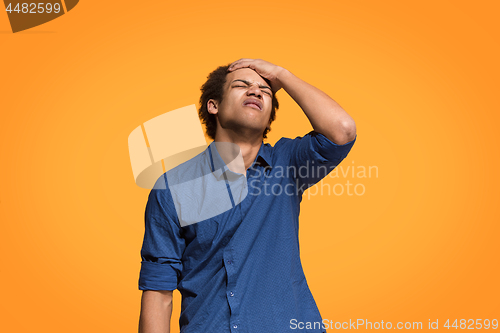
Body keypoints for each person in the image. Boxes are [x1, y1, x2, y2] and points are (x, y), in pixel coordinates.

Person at [138, 58, 357, 333]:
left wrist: (282, 74)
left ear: (269, 117)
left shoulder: (287, 165)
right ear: (213, 105)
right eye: (242, 85)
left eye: (265, 91)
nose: (255, 91)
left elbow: (343, 130)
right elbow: (158, 292)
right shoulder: (174, 187)